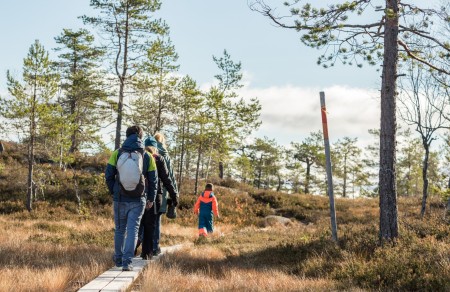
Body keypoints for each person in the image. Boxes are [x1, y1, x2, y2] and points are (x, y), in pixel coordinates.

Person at [105, 125, 157, 271]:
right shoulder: (147, 156)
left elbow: (108, 175)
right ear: (140, 137)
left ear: (126, 136)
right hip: (139, 198)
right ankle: (127, 262)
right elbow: (153, 180)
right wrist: (151, 198)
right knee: (133, 230)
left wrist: (114, 191)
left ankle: (118, 259)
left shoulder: (117, 153)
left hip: (120, 198)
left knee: (120, 230)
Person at [138, 136, 178, 259]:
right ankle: (148, 252)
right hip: (155, 196)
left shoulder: (140, 156)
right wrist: (173, 194)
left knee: (140, 224)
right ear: (155, 147)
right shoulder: (159, 158)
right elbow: (166, 179)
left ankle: (132, 249)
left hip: (139, 194)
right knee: (151, 225)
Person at [153, 132, 178, 255]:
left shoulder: (148, 152)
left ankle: (143, 244)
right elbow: (171, 177)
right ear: (163, 141)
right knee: (157, 220)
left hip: (148, 191)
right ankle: (155, 247)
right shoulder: (166, 156)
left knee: (145, 220)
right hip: (162, 193)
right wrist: (175, 194)